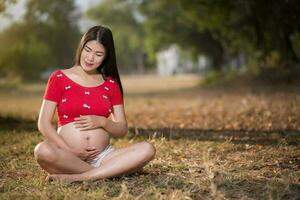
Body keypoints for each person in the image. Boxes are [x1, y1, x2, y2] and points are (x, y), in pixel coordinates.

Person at [34, 25, 156, 182]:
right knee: (42, 150)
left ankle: (80, 177)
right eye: (88, 50)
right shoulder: (59, 78)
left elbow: (122, 129)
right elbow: (43, 124)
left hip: (103, 156)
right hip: (67, 156)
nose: (90, 58)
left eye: (98, 54)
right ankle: (107, 173)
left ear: (106, 57)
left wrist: (102, 121)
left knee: (148, 149)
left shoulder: (110, 84)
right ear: (81, 47)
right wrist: (69, 149)